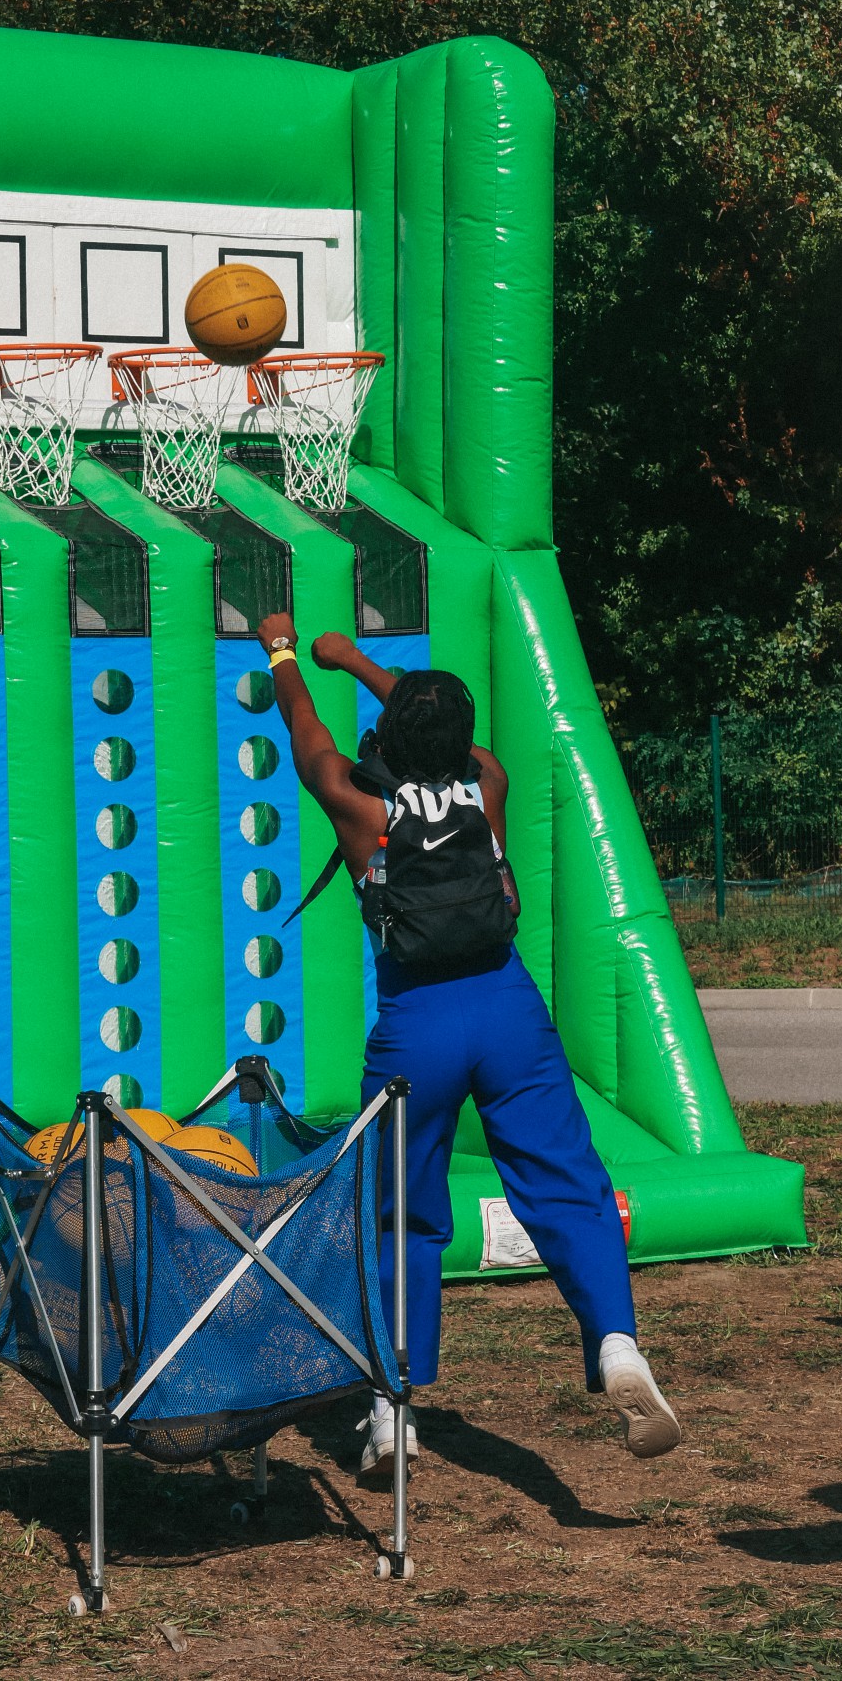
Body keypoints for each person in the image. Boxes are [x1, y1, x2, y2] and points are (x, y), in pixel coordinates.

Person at [253, 615, 681, 1475]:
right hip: (507, 1008)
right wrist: (369, 664)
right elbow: (440, 734)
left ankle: (390, 1409)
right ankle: (615, 1343)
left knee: (399, 1211)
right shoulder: (487, 782)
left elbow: (307, 736)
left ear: (392, 737)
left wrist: (289, 654)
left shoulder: (356, 801)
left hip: (419, 1025)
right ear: (457, 737)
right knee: (568, 1183)